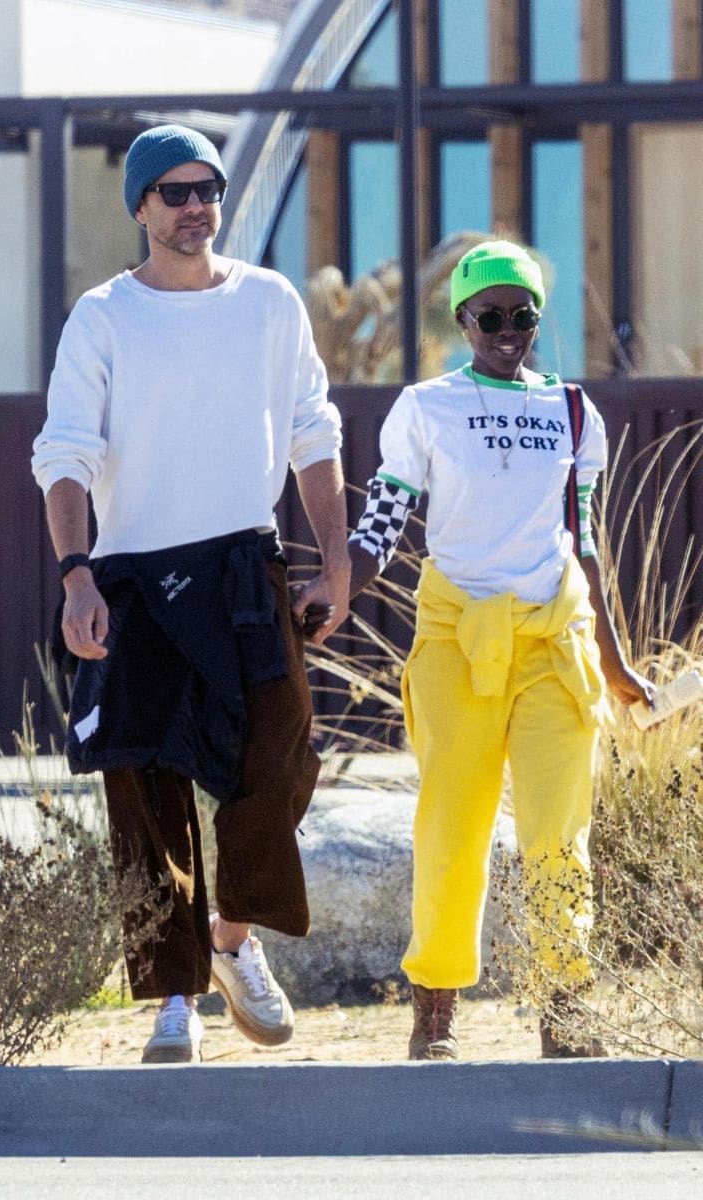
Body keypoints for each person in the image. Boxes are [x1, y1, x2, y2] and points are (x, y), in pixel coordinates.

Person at [32, 123, 350, 1064]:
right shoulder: (102, 316)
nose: (194, 206)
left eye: (206, 188)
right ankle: (172, 1000)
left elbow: (312, 430)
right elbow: (65, 453)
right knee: (145, 786)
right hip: (133, 575)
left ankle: (231, 944)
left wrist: (333, 559)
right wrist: (74, 572)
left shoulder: (269, 301)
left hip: (247, 564)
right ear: (140, 207)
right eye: (172, 192)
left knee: (282, 756)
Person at [347, 239, 653, 1060]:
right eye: (491, 315)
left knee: (560, 832)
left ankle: (566, 1009)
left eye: (522, 315)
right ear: (464, 319)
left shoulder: (574, 411)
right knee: (453, 824)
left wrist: (616, 664)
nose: (507, 329)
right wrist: (339, 586)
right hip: (456, 639)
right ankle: (435, 1012)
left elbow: (584, 539)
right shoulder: (425, 406)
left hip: (556, 640)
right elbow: (386, 512)